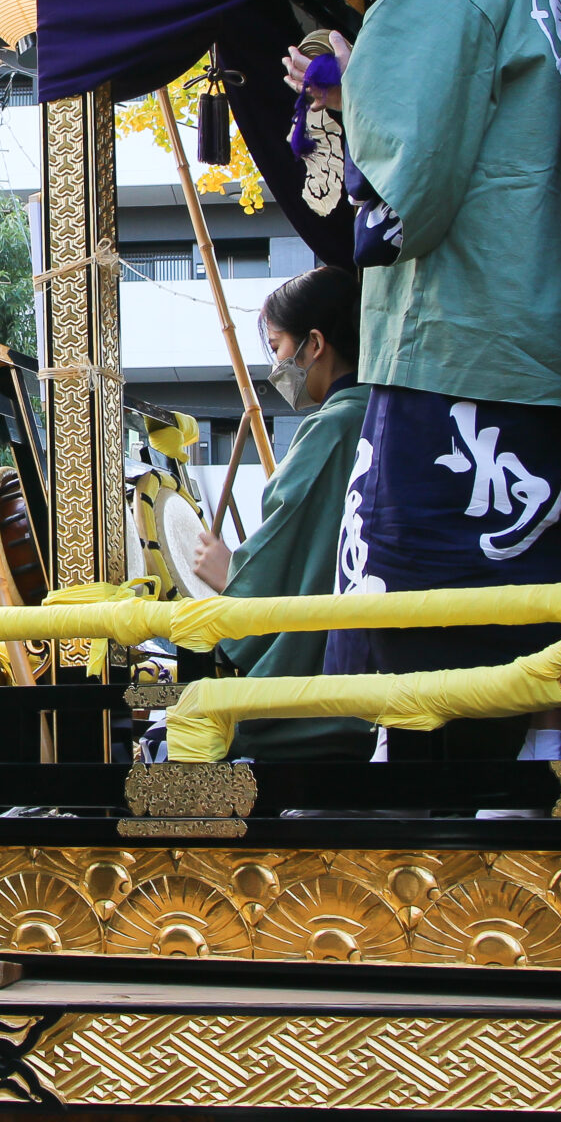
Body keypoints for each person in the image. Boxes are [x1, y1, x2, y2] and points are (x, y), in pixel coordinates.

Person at [322, 0, 561, 763]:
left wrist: (352, 93)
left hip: (458, 347)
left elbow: (406, 202)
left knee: (423, 649)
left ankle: (436, 818)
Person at [189, 267, 377, 763]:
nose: (276, 366)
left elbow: (287, 544)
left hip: (335, 693)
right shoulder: (379, 415)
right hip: (387, 667)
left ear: (314, 344)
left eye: (277, 348)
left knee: (187, 732)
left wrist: (231, 571)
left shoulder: (334, 428)